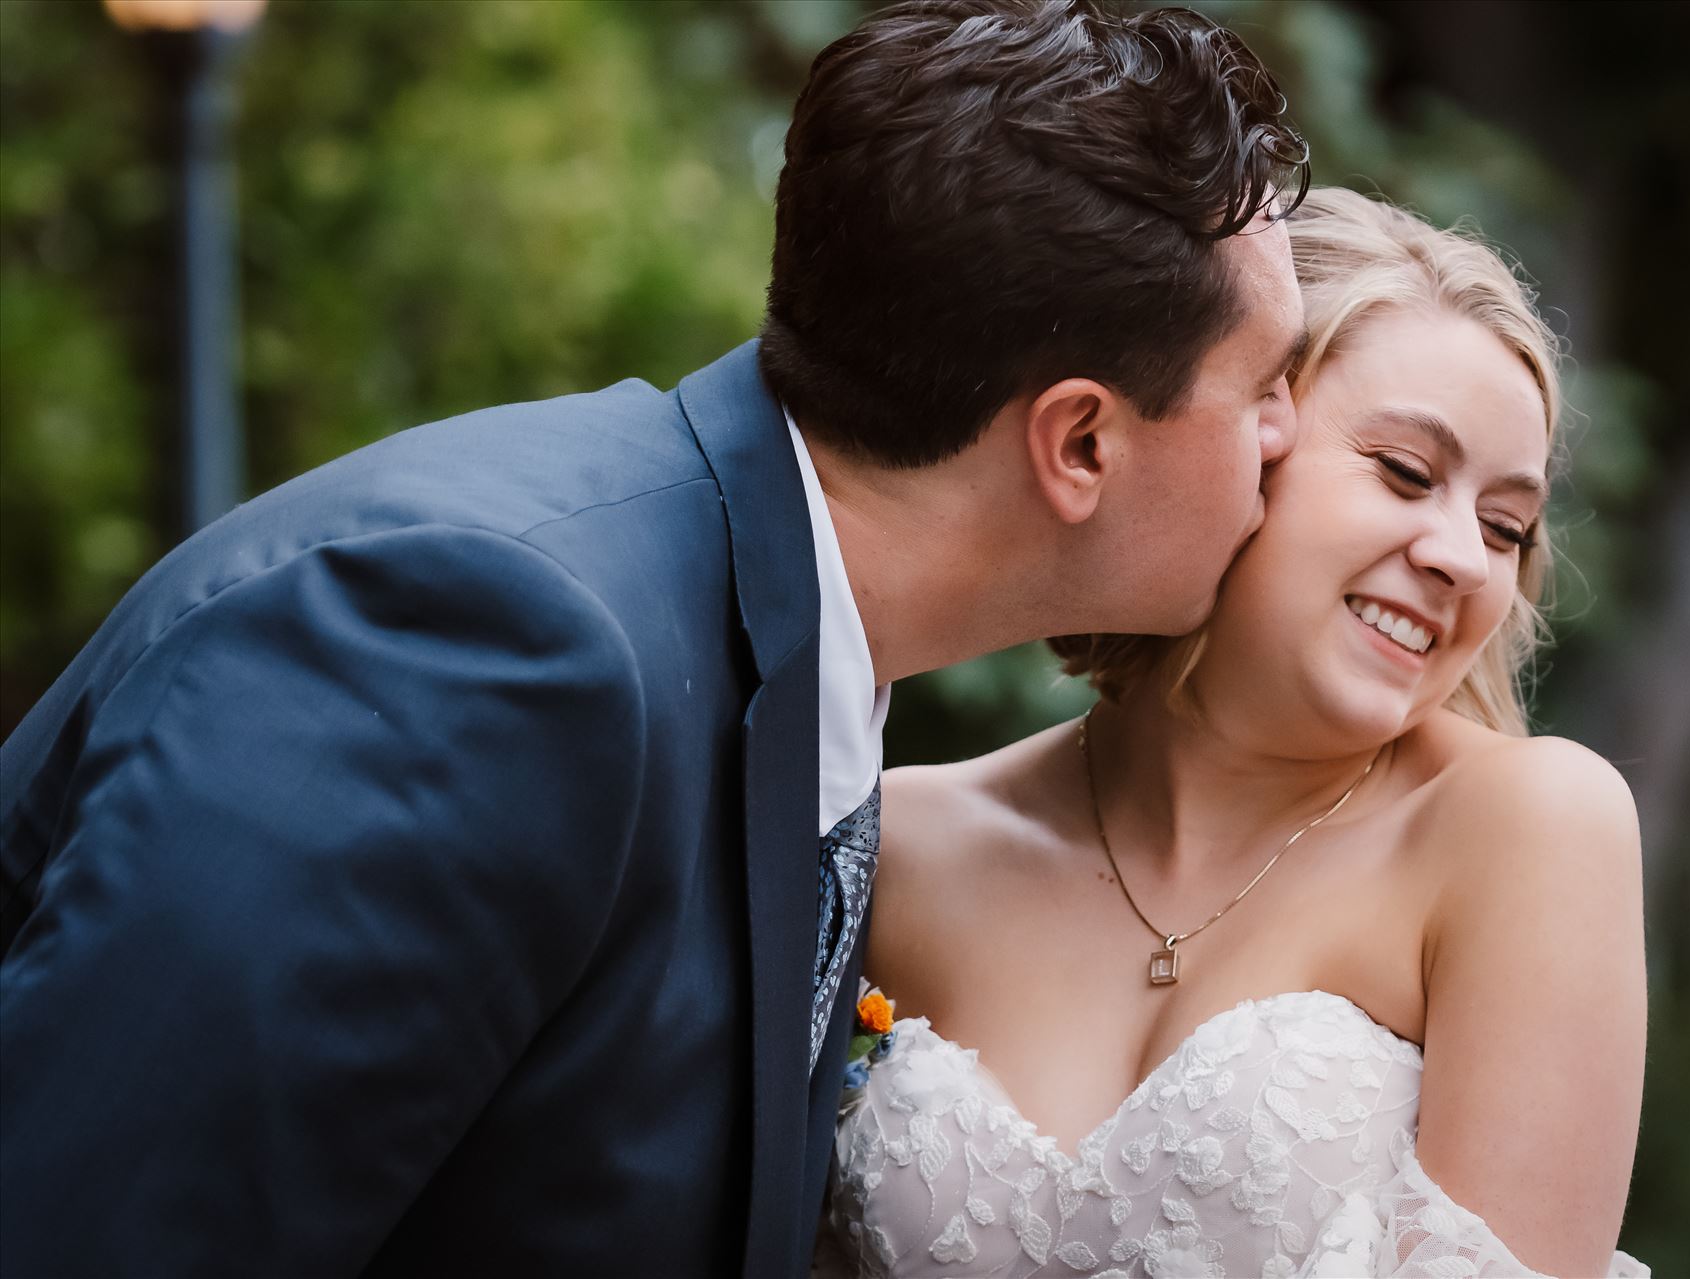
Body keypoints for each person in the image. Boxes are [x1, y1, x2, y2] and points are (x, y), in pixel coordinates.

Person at [0, 3, 1310, 1276]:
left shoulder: (782, 643)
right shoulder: (483, 648)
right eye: (1261, 387)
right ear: (1078, 440)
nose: (1284, 437)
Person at [823, 188, 1650, 1278]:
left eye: (1505, 527)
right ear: (1235, 446)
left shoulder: (1522, 828)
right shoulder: (899, 841)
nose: (1460, 554)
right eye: (1404, 471)